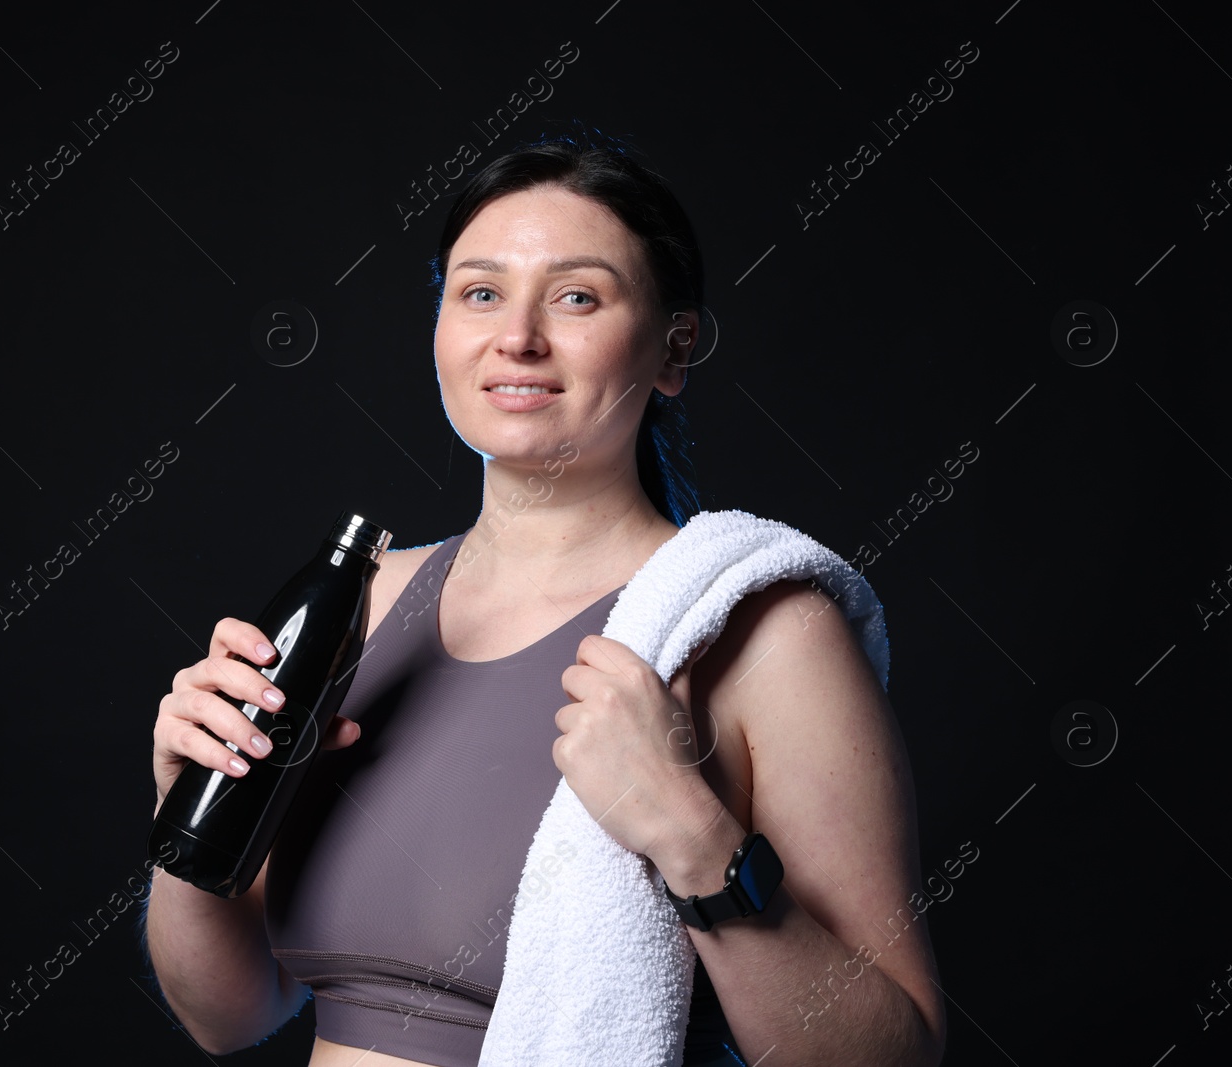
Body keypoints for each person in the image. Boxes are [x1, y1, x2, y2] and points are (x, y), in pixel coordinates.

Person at [145, 131, 947, 1067]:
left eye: (576, 297)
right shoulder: (355, 610)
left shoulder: (762, 631)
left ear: (673, 348)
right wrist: (188, 808)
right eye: (481, 292)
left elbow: (893, 1054)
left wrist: (693, 840)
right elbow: (227, 1015)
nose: (516, 336)